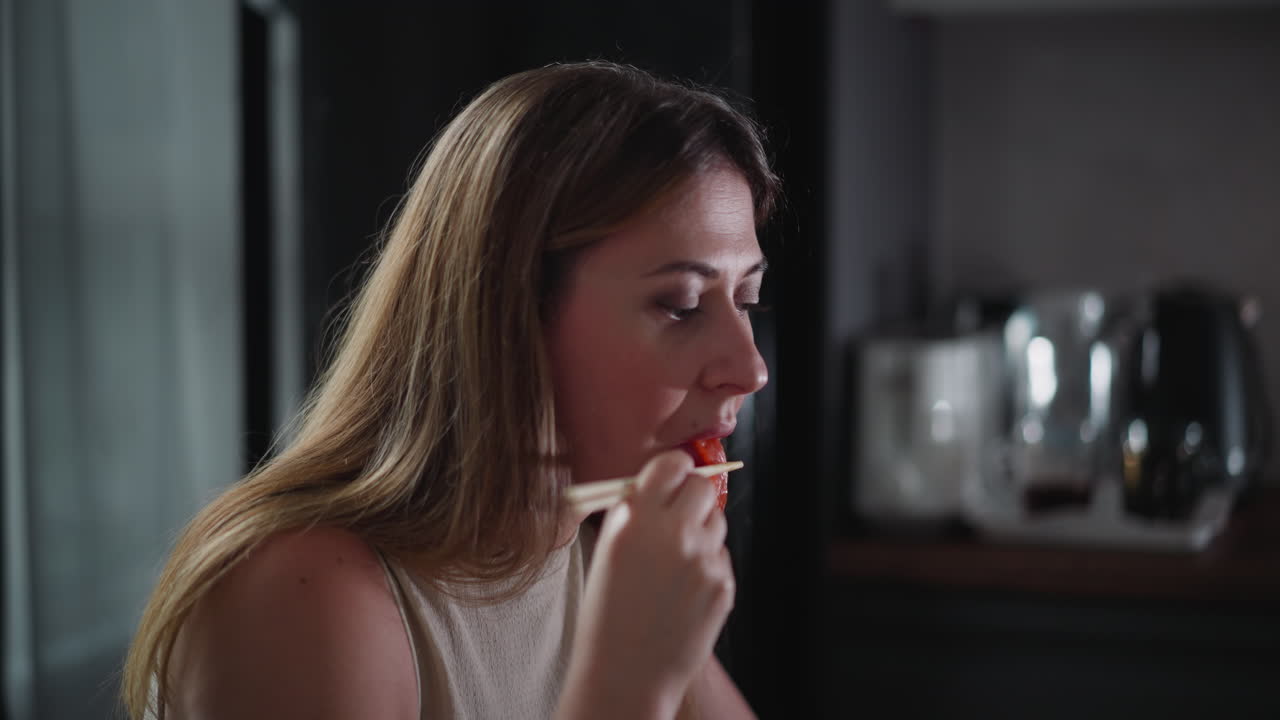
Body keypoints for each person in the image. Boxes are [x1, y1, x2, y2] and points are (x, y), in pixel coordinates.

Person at [122, 60, 779, 720]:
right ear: (509, 313)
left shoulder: (610, 553)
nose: (750, 370)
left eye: (746, 298)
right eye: (682, 305)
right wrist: (630, 682)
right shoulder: (304, 594)